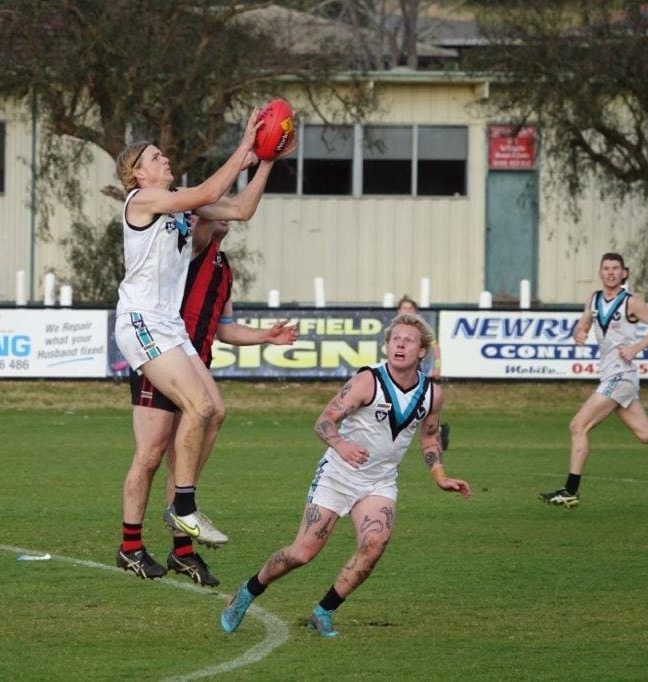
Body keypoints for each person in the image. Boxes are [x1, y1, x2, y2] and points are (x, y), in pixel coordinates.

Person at [220, 313, 471, 637]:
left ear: (422, 351)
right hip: (338, 475)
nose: (400, 344)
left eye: (408, 340)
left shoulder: (432, 394)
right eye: (395, 339)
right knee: (301, 553)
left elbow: (429, 436)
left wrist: (439, 475)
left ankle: (323, 611)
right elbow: (324, 421)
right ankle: (248, 592)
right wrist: (341, 445)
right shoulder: (368, 381)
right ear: (387, 346)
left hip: (379, 481)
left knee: (375, 544)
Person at [112, 108, 275, 553]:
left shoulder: (178, 202)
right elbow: (207, 190)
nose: (165, 160)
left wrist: (268, 158)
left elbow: (241, 209)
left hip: (169, 325)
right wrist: (243, 145)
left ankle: (181, 506)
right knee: (197, 407)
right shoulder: (141, 202)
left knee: (214, 411)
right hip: (141, 321)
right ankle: (182, 507)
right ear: (137, 175)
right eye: (156, 157)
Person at [119, 218, 298, 584]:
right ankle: (130, 546)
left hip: (192, 363)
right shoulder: (190, 247)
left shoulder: (224, 267)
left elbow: (224, 327)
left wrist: (267, 336)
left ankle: (182, 551)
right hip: (160, 358)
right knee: (150, 455)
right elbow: (200, 225)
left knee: (183, 457)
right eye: (215, 210)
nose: (225, 216)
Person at [539, 252, 648, 508]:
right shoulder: (593, 299)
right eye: (606, 268)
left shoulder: (632, 303)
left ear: (624, 273)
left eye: (615, 268)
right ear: (600, 273)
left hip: (621, 375)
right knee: (646, 434)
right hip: (610, 374)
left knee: (578, 426)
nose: (611, 272)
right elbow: (583, 324)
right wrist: (579, 333)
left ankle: (570, 490)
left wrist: (636, 349)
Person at [395, 295, 449, 451]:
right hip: (393, 373)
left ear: (416, 311)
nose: (407, 311)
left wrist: (437, 367)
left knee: (414, 407)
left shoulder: (421, 327)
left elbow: (435, 347)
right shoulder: (393, 328)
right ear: (399, 310)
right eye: (404, 308)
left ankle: (435, 432)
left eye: (410, 309)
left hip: (411, 372)